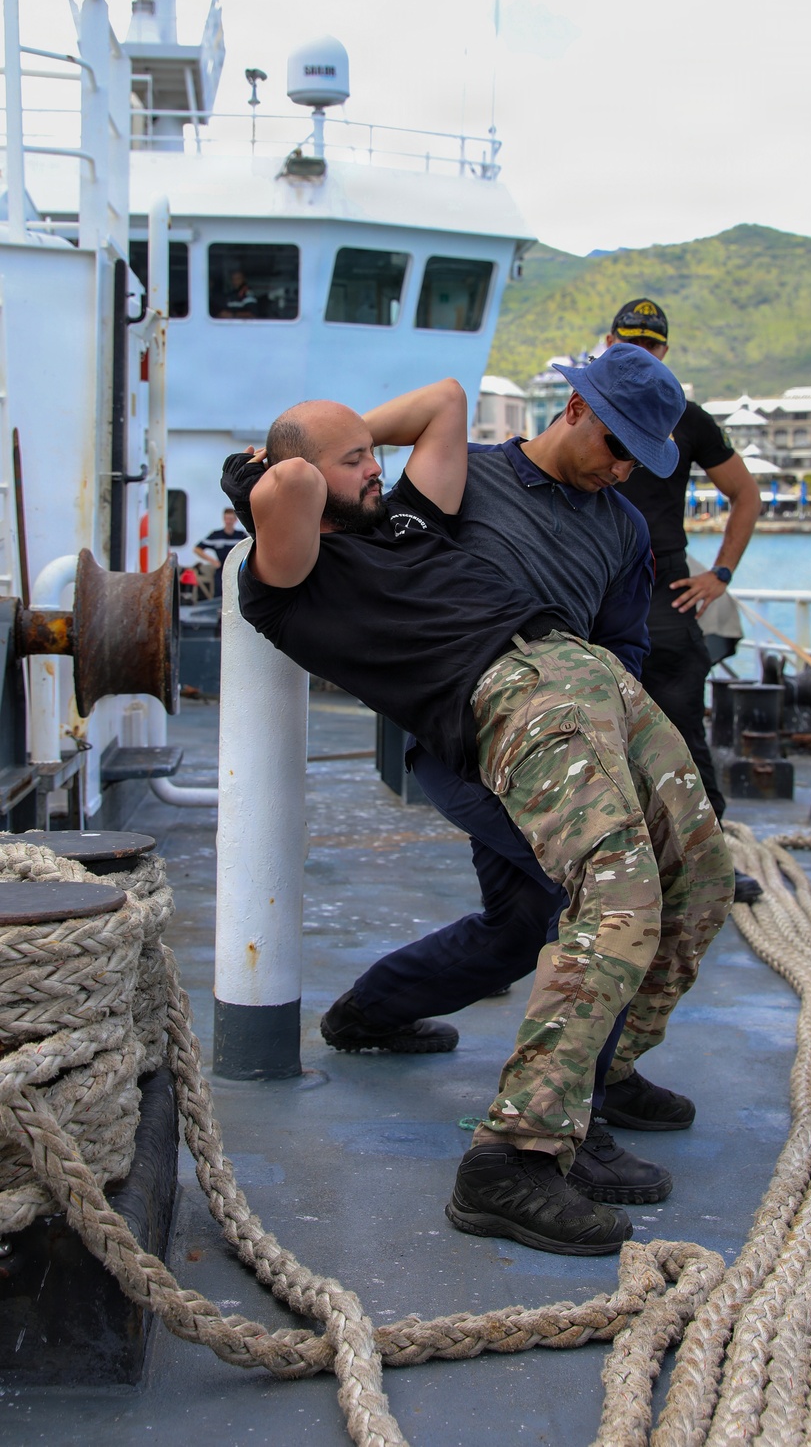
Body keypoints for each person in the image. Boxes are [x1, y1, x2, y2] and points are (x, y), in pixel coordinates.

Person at [224, 354, 733, 1256]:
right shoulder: (288, 580)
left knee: (704, 877)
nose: (373, 469)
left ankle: (593, 1081)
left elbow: (444, 401)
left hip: (583, 676)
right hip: (505, 698)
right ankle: (514, 1159)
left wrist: (352, 452)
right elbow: (295, 480)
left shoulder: (410, 521)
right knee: (617, 902)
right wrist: (290, 465)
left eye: (372, 456)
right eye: (355, 463)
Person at [608, 300, 763, 901]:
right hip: (597, 585)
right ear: (609, 342)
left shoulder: (687, 417)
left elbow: (743, 495)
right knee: (591, 732)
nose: (640, 354)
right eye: (629, 344)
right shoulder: (586, 409)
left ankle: (709, 864)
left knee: (682, 729)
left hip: (664, 586)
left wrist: (719, 574)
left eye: (650, 346)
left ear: (664, 352)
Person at [194, 506, 247, 597]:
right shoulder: (216, 535)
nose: (228, 521)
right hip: (221, 569)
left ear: (235, 520)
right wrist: (212, 561)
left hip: (237, 569)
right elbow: (197, 549)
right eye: (226, 519)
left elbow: (251, 548)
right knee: (220, 595)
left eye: (230, 519)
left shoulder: (241, 536)